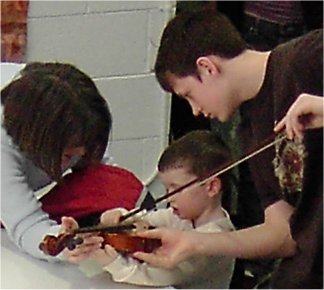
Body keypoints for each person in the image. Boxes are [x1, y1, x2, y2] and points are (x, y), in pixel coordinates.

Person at [130, 10, 323, 289]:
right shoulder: (249, 131)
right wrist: (196, 242)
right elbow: (283, 235)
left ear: (207, 67)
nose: (195, 111)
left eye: (188, 95)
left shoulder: (306, 58)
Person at [64, 130, 236, 289]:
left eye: (176, 189)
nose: (169, 198)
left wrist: (112, 262)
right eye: (167, 189)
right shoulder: (179, 217)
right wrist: (118, 217)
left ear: (211, 187)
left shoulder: (214, 242)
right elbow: (145, 221)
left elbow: (156, 276)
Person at [1, 62, 112, 261]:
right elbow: (27, 225)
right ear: (35, 140)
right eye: (68, 155)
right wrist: (64, 246)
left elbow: (104, 174)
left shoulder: (70, 114)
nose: (80, 156)